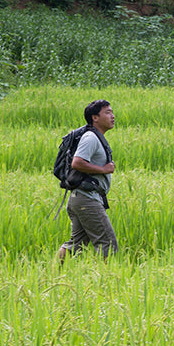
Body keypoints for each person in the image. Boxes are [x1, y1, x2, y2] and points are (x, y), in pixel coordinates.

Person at [57, 99, 117, 261]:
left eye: (112, 112)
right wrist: (104, 169)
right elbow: (77, 162)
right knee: (108, 243)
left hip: (80, 198)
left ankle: (54, 272)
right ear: (94, 118)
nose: (112, 116)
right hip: (87, 200)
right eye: (107, 112)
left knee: (75, 244)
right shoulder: (91, 138)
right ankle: (108, 276)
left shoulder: (95, 137)